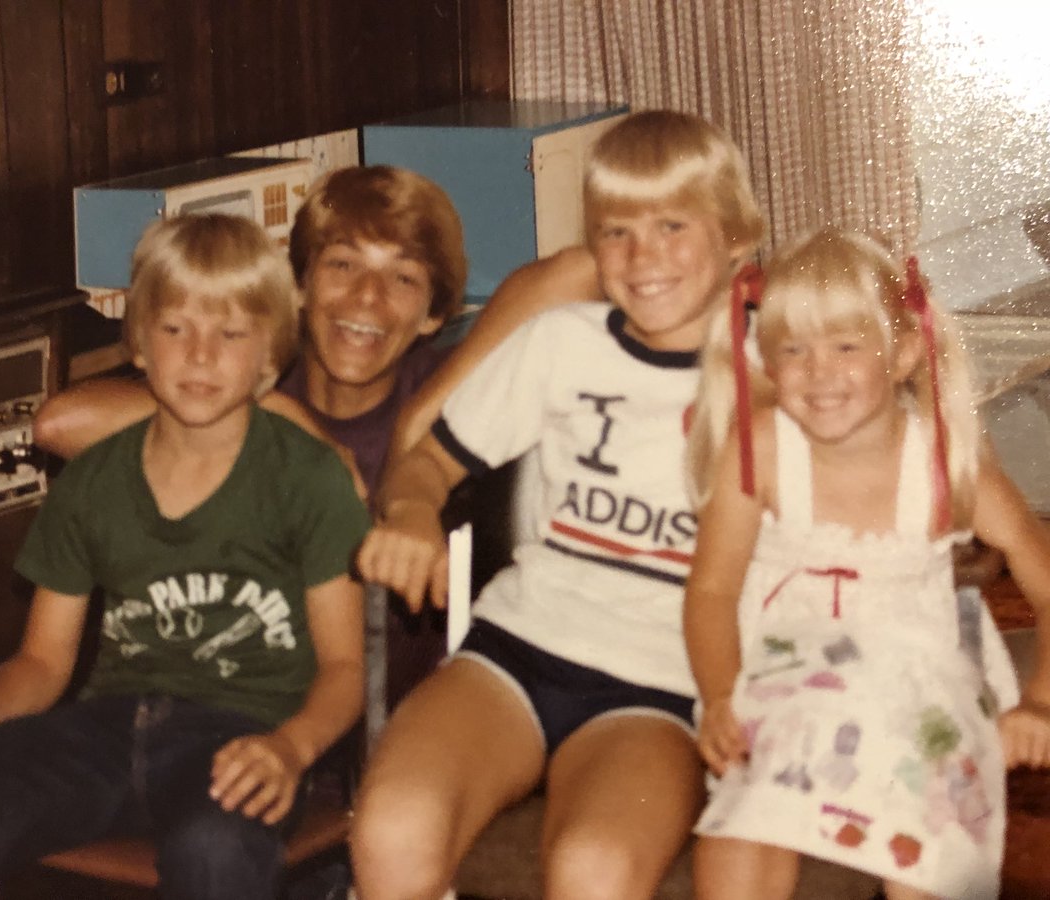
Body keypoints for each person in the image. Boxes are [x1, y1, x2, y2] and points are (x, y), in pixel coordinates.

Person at [0, 214, 371, 900]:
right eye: (175, 329)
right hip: (102, 734)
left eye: (231, 334)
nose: (201, 356)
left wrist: (292, 749)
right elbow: (43, 663)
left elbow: (345, 669)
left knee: (215, 849)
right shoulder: (95, 481)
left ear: (270, 355)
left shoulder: (307, 479)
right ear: (140, 344)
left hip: (245, 739)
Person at [352, 110, 766, 900]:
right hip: (520, 646)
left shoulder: (776, 374)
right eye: (616, 232)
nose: (642, 256)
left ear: (737, 237)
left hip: (665, 683)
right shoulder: (563, 343)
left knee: (594, 868)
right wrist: (411, 513)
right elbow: (428, 461)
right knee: (392, 827)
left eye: (672, 226)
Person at [683, 229, 1050, 899]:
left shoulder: (943, 458)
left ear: (903, 352)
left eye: (846, 347)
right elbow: (710, 590)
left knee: (931, 829)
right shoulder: (761, 448)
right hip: (790, 670)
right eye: (794, 350)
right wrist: (718, 695)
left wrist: (1041, 701)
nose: (819, 372)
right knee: (746, 821)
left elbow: (1043, 575)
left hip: (922, 671)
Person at [34, 165, 468, 712]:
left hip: (385, 724)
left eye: (403, 278)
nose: (367, 297)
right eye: (342, 264)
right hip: (219, 709)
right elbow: (59, 424)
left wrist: (421, 422)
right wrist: (288, 421)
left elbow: (559, 285)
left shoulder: (450, 398)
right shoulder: (243, 373)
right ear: (299, 286)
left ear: (433, 314)